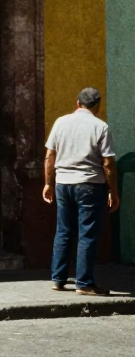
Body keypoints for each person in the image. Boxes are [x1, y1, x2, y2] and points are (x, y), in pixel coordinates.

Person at [44, 87, 120, 296]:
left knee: (64, 230)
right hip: (90, 185)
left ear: (77, 103)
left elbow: (50, 155)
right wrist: (113, 190)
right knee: (87, 234)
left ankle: (58, 279)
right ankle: (84, 283)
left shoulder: (60, 122)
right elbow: (108, 163)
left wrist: (49, 183)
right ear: (97, 106)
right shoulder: (100, 126)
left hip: (63, 183)